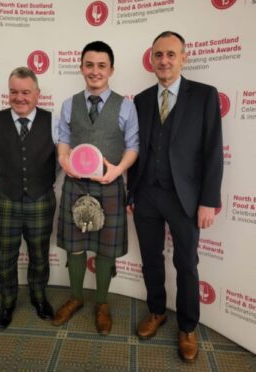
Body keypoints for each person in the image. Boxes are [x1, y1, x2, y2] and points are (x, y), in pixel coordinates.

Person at [127, 31, 223, 361]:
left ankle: (187, 327)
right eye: (158, 55)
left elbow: (212, 152)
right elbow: (134, 150)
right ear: (151, 60)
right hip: (146, 195)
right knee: (151, 258)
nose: (164, 61)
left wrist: (209, 200)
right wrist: (131, 194)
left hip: (186, 198)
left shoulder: (205, 96)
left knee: (186, 264)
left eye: (170, 54)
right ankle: (157, 311)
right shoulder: (139, 100)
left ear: (184, 57)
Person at [53, 41, 139, 335]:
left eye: (102, 65)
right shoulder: (69, 104)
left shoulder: (126, 106)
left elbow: (133, 146)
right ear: (81, 68)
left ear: (111, 70)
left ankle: (101, 303)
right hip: (75, 185)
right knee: (75, 250)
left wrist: (118, 169)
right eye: (89, 65)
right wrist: (64, 159)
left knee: (106, 250)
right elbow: (63, 137)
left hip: (110, 186)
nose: (95, 71)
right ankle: (76, 297)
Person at [0, 67, 57, 330]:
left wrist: (40, 181)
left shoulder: (54, 121)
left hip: (41, 200)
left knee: (39, 254)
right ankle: (7, 303)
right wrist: (7, 180)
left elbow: (58, 161)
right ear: (8, 93)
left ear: (37, 94)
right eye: (14, 92)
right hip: (6, 200)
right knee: (5, 257)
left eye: (26, 92)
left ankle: (39, 297)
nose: (20, 97)